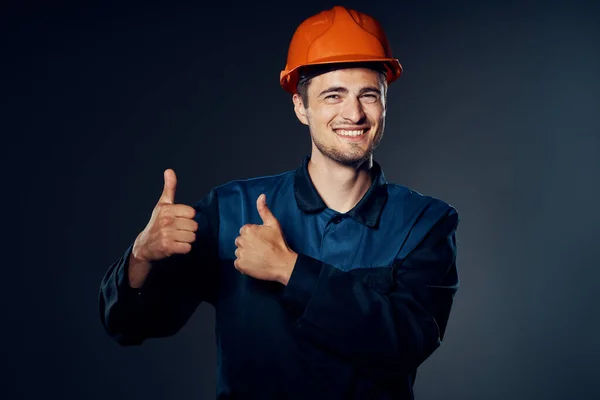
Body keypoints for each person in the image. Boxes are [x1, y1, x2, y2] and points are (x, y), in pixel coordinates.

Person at [99, 5, 459, 400]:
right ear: (301, 107)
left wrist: (291, 270)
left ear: (385, 102)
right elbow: (130, 327)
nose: (353, 113)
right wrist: (141, 257)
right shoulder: (231, 209)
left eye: (368, 95)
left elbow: (408, 343)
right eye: (333, 95)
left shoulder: (424, 222)